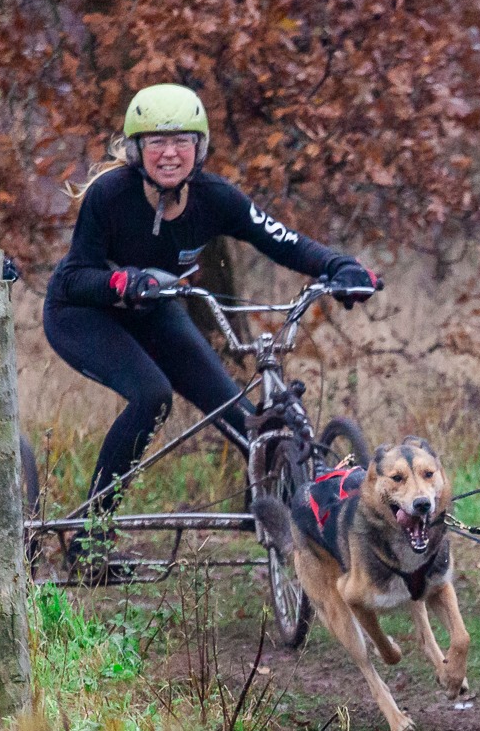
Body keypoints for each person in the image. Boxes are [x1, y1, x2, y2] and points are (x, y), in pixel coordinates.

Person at [45, 83, 380, 577]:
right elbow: (76, 276)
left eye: (182, 140)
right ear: (136, 150)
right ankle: (88, 544)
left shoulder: (215, 198)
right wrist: (122, 279)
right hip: (82, 313)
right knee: (151, 395)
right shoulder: (109, 197)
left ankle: (283, 528)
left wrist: (341, 267)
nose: (170, 153)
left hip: (157, 310)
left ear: (199, 148)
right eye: (156, 142)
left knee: (244, 421)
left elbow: (281, 240)